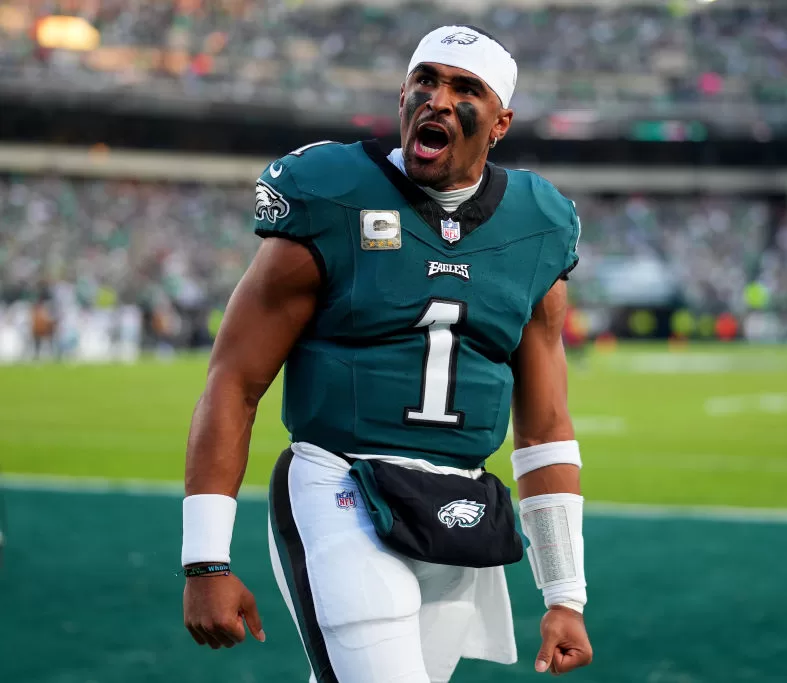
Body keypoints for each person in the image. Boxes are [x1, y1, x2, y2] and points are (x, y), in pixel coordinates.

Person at [181, 24, 593, 683]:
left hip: (458, 510)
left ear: (500, 122)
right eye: (424, 81)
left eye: (464, 89)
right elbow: (234, 379)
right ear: (402, 94)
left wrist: (564, 593)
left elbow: (544, 427)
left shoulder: (538, 225)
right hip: (340, 483)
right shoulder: (333, 193)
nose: (436, 98)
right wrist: (206, 559)